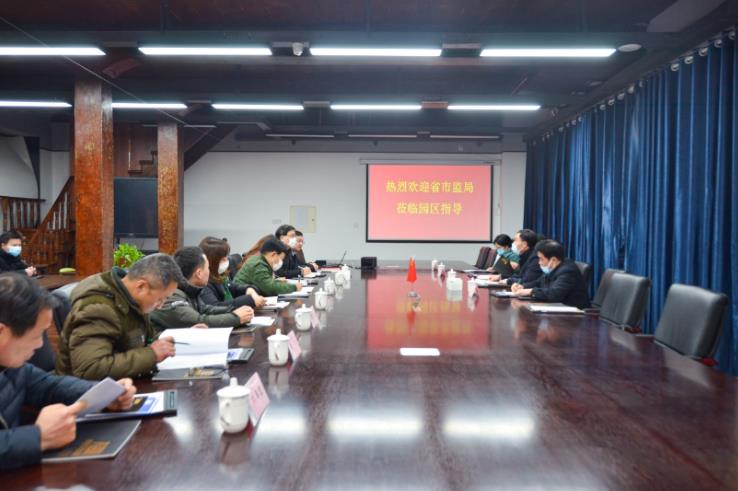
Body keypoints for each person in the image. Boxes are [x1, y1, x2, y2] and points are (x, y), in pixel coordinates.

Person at [0, 272, 136, 470]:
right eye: (37, 335)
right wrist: (39, 437)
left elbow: (49, 386)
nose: (40, 345)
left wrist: (103, 394)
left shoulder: (13, 366)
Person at [56, 253, 181, 380]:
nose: (160, 306)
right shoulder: (99, 309)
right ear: (141, 286)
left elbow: (144, 338)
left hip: (124, 382)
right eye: (160, 299)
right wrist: (152, 355)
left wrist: (159, 342)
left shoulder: (131, 301)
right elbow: (90, 368)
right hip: (87, 389)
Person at [150, 246, 254, 330]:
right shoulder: (172, 295)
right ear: (199, 273)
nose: (209, 271)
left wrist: (234, 310)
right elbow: (197, 320)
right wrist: (236, 318)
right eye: (207, 268)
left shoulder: (190, 290)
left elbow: (205, 309)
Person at [511, 239, 591, 309]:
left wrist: (530, 291)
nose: (539, 262)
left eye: (541, 259)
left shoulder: (568, 271)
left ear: (553, 260)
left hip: (574, 315)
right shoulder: (554, 266)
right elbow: (539, 282)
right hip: (557, 309)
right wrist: (522, 286)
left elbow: (554, 294)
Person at [198, 236, 266, 309]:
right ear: (211, 261)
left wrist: (249, 289)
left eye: (226, 257)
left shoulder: (220, 276)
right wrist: (250, 300)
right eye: (222, 259)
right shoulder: (203, 282)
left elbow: (235, 288)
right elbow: (215, 307)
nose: (227, 261)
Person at [233, 236, 302, 296]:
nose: (281, 262)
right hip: (242, 298)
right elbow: (269, 288)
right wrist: (294, 287)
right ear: (273, 254)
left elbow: (263, 283)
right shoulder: (258, 264)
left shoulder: (261, 261)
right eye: (281, 259)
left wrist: (276, 282)